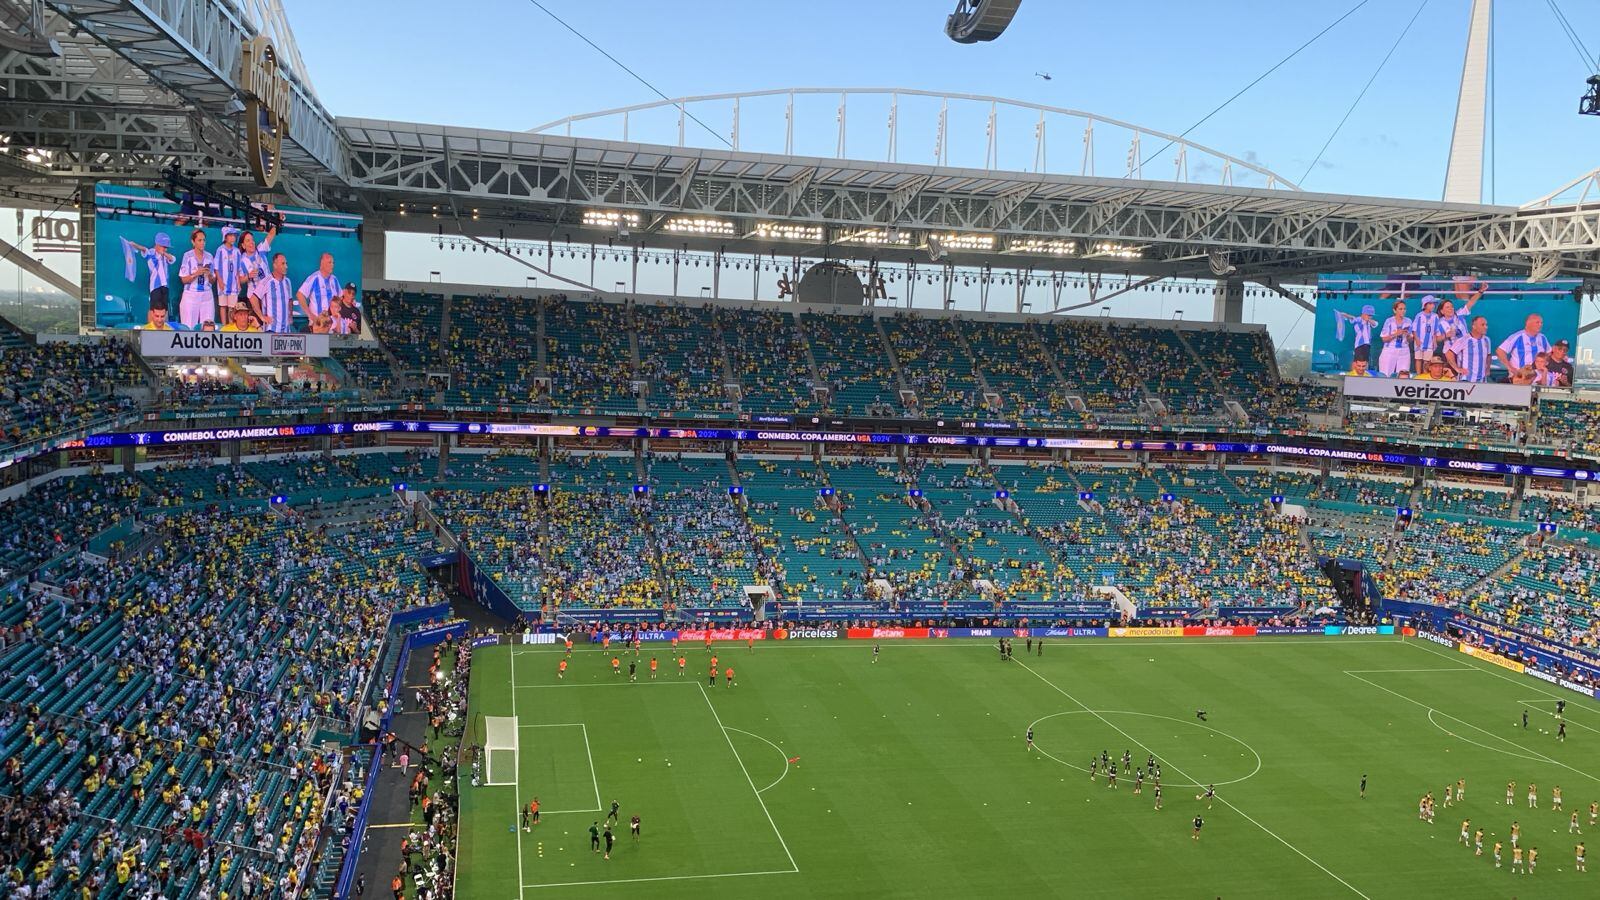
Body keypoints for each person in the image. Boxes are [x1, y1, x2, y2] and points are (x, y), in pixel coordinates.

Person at [126, 232, 175, 321]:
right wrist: (134, 245)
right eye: (164, 246)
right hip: (155, 287)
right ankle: (150, 327)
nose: (165, 249)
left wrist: (163, 253)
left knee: (165, 308)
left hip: (165, 286)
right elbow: (143, 249)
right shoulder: (151, 252)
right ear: (157, 244)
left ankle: (164, 327)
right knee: (153, 308)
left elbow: (172, 259)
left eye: (166, 247)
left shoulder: (166, 256)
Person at [177, 228, 215, 329]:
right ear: (193, 242)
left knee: (208, 326)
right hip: (191, 295)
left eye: (204, 240)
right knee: (189, 326)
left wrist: (210, 275)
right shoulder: (187, 256)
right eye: (199, 240)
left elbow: (213, 281)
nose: (202, 243)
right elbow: (183, 280)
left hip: (207, 295)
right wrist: (196, 274)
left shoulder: (209, 257)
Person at [1497, 312, 1551, 383]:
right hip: (1520, 378)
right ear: (1528, 323)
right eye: (1537, 322)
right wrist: (1511, 368)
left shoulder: (1542, 338)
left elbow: (1549, 353)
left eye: (1541, 323)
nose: (1540, 325)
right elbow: (1500, 351)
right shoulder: (1517, 337)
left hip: (1537, 378)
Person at [250, 251, 295, 332]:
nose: (286, 266)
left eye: (286, 263)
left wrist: (290, 316)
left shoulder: (287, 282)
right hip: (271, 329)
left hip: (286, 330)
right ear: (275, 265)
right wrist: (262, 317)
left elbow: (290, 300)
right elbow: (253, 299)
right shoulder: (267, 281)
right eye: (283, 264)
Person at [296, 251, 340, 332]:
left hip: (332, 327)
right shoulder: (314, 278)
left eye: (333, 263)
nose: (332, 265)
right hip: (318, 327)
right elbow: (300, 294)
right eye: (329, 262)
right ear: (322, 264)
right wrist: (311, 315)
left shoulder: (334, 279)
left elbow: (340, 297)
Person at [213, 226, 244, 324]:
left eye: (234, 235)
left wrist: (238, 283)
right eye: (230, 235)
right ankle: (223, 325)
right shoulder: (220, 250)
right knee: (223, 305)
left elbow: (238, 269)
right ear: (225, 237)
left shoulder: (237, 251)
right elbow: (216, 267)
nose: (233, 238)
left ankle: (230, 325)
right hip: (223, 283)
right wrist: (220, 281)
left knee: (232, 306)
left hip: (234, 284)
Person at [1334, 304, 1377, 371]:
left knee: (1366, 361)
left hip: (1367, 345)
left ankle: (1365, 373)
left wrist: (1368, 320)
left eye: (1371, 315)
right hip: (1359, 345)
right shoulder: (1359, 319)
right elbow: (1352, 317)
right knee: (1356, 361)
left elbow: (1375, 324)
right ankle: (1353, 374)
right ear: (1363, 313)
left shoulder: (1370, 322)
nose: (1370, 316)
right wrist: (1345, 315)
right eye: (1368, 315)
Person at [1378, 299, 1414, 377]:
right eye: (1400, 309)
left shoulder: (1409, 321)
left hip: (1404, 351)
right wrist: (1396, 334)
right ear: (1395, 310)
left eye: (1404, 309)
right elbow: (1384, 339)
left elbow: (1410, 340)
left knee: (1403, 375)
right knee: (1386, 374)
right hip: (1390, 350)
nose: (1403, 311)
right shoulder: (1389, 321)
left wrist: (1408, 335)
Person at [1412, 296, 1443, 373]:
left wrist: (1434, 341)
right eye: (1430, 304)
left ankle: (1425, 375)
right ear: (1425, 305)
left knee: (1427, 360)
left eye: (1433, 304)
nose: (1433, 306)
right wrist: (1417, 339)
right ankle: (1418, 375)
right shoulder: (1419, 315)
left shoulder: (1435, 316)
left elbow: (1435, 330)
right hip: (1419, 341)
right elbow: (1414, 329)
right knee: (1418, 359)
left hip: (1430, 342)